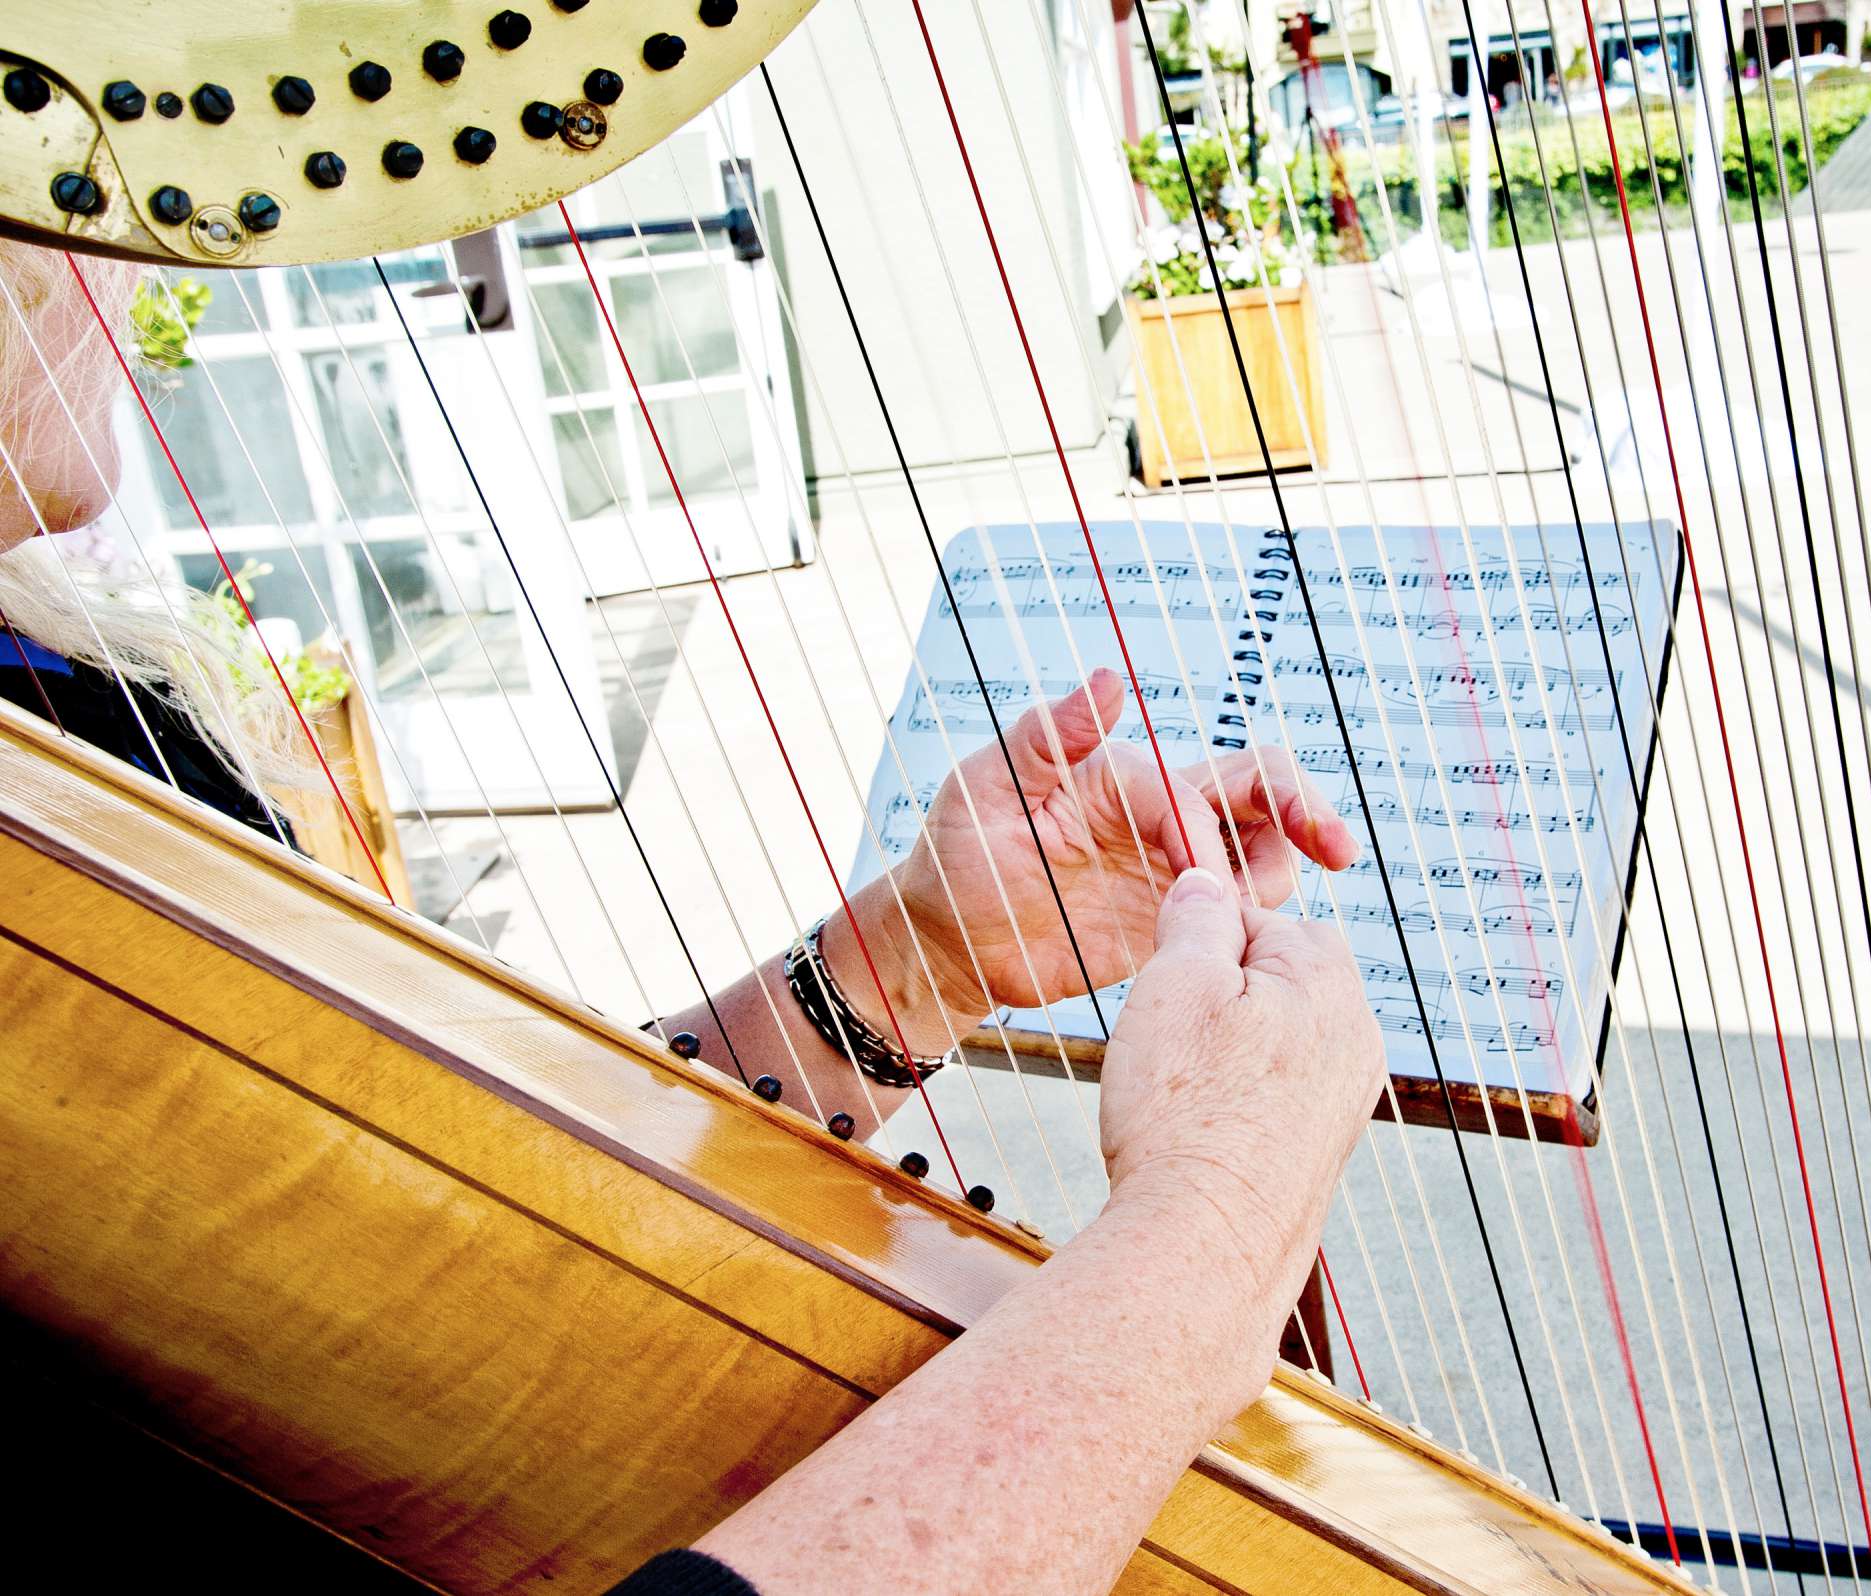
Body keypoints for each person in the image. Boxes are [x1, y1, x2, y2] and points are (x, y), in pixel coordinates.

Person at [0, 235, 1391, 1592]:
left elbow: (439, 1246)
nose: (137, 254)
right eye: (61, 179)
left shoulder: (62, 706)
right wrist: (1205, 1250)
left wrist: (912, 962)